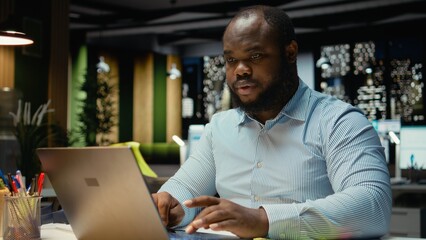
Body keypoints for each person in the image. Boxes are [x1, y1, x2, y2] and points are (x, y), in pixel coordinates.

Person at [152, 5, 391, 239]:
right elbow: (186, 190)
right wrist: (171, 207)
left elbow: (372, 205)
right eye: (231, 60)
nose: (240, 70)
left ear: (290, 53)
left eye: (255, 56)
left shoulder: (339, 121)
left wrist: (264, 220)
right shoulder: (219, 128)